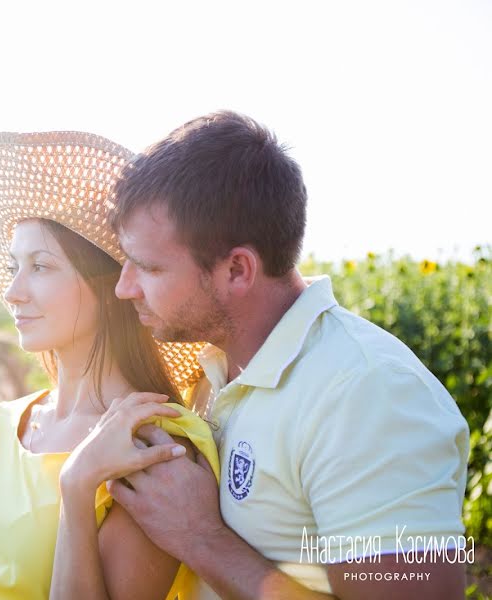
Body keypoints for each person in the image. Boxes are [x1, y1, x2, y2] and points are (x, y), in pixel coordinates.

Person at [81, 111, 471, 599]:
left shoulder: (368, 396)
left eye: (147, 267)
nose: (123, 288)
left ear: (237, 270)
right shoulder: (211, 373)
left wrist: (203, 539)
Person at [0, 131, 220, 600]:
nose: (13, 292)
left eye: (42, 267)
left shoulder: (151, 448)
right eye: (14, 268)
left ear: (112, 285)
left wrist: (77, 485)